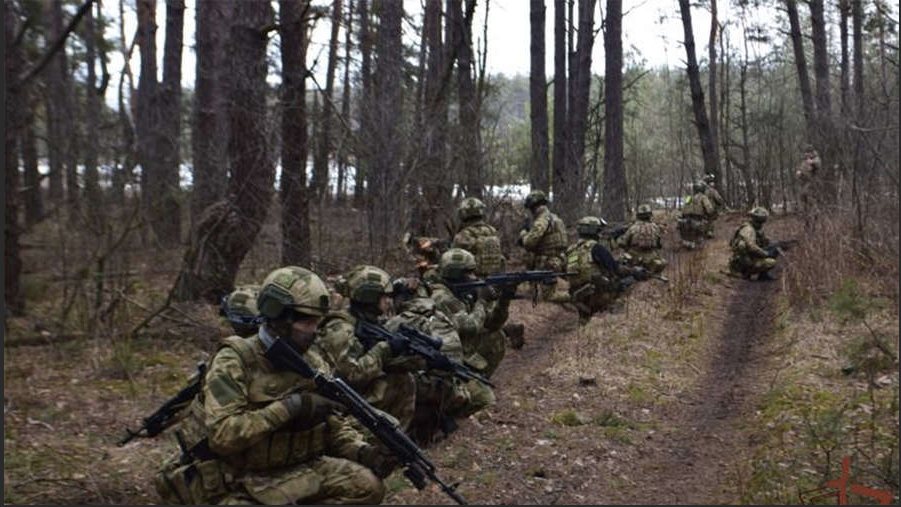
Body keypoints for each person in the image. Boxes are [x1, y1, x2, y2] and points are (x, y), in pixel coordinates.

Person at [154, 266, 394, 505]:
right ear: (279, 317)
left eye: (317, 321)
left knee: (368, 487)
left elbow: (333, 426)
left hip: (291, 470)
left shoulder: (313, 360)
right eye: (307, 322)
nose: (314, 331)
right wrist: (292, 407)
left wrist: (362, 452)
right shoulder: (235, 360)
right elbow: (223, 435)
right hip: (236, 477)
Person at [385, 277, 495, 443]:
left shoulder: (400, 321)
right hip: (457, 385)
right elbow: (469, 326)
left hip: (432, 389)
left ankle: (410, 431)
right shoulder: (441, 314)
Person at [315, 265, 421, 433]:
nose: (389, 301)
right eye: (385, 297)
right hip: (336, 402)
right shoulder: (341, 328)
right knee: (398, 382)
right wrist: (384, 349)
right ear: (369, 297)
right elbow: (350, 375)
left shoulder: (367, 322)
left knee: (404, 377)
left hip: (354, 393)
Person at [428, 248, 514, 378]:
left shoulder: (461, 292)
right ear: (455, 274)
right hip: (445, 352)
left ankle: (477, 378)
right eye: (469, 273)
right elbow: (469, 327)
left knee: (496, 336)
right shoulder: (441, 296)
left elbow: (493, 324)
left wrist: (504, 299)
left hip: (460, 344)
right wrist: (482, 300)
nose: (474, 277)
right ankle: (464, 380)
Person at [566, 216, 649, 325]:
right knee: (627, 282)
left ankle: (584, 325)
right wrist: (634, 271)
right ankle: (616, 318)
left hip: (577, 295)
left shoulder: (571, 250)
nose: (600, 233)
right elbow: (616, 269)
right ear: (593, 231)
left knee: (585, 321)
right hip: (597, 294)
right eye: (599, 230)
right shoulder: (597, 248)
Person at [518, 190, 570, 303]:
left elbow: (529, 243)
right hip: (559, 259)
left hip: (547, 262)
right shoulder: (554, 217)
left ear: (533, 207)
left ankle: (575, 296)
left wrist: (523, 234)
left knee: (549, 297)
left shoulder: (542, 220)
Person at [452, 197, 506, 277]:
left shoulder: (463, 235)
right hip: (496, 276)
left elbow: (453, 260)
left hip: (473, 278)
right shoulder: (492, 230)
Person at [728, 207, 778, 281]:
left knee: (773, 249)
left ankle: (762, 275)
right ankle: (744, 272)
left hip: (748, 258)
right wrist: (766, 254)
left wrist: (774, 246)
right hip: (743, 262)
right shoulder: (748, 229)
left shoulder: (756, 229)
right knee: (771, 262)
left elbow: (765, 242)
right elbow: (751, 246)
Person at [617, 204, 668, 275]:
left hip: (635, 258)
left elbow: (622, 243)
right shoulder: (656, 228)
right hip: (651, 258)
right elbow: (659, 245)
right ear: (650, 215)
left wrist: (619, 239)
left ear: (638, 215)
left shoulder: (633, 228)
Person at [678, 180, 716, 250]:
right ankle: (699, 241)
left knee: (687, 234)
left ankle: (688, 242)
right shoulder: (703, 197)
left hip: (685, 221)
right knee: (705, 225)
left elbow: (683, 208)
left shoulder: (689, 197)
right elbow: (709, 209)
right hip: (697, 221)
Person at [796, 144, 822, 222]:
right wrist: (799, 173)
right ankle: (806, 220)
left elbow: (817, 164)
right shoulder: (804, 161)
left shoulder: (816, 159)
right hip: (804, 185)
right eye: (805, 153)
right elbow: (801, 170)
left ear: (811, 152)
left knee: (812, 203)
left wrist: (812, 162)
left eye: (808, 152)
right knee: (803, 204)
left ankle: (815, 217)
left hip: (812, 185)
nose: (806, 154)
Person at [702, 173, 725, 238]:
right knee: (711, 219)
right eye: (712, 182)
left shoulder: (701, 190)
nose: (713, 183)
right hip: (710, 208)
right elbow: (719, 199)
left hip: (701, 209)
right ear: (709, 183)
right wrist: (721, 203)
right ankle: (710, 231)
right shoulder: (712, 190)